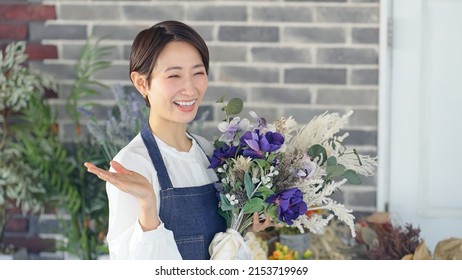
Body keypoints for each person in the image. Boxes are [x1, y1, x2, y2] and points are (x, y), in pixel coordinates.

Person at [84, 20, 273, 260]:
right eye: (174, 75)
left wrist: (243, 224)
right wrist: (147, 205)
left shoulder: (209, 151)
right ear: (142, 83)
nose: (190, 88)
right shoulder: (131, 165)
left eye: (198, 73)